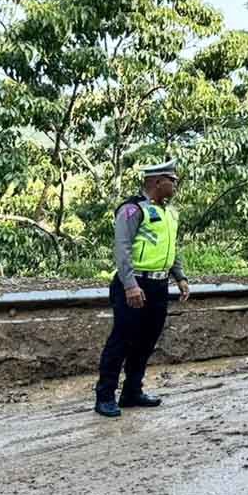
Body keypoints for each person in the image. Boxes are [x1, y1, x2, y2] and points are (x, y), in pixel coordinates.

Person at [94, 160, 190, 418]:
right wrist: (130, 285)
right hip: (135, 283)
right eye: (173, 180)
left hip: (159, 285)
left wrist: (179, 276)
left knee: (147, 341)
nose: (176, 185)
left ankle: (132, 391)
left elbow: (170, 247)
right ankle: (104, 396)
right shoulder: (132, 209)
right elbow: (122, 249)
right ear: (158, 181)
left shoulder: (170, 213)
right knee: (122, 340)